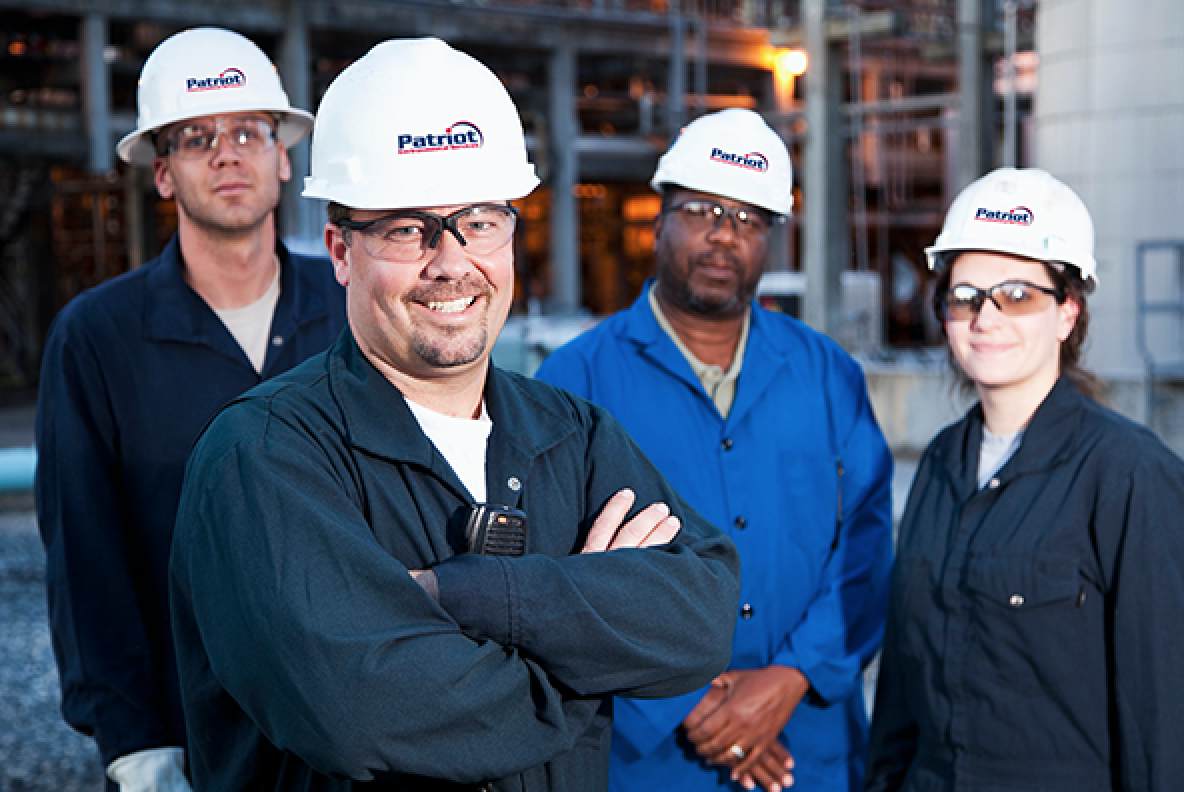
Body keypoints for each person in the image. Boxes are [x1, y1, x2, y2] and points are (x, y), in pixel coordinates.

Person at [168, 37, 742, 792]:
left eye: (478, 222)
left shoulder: (572, 435)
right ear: (341, 250)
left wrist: (460, 596)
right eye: (407, 228)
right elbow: (361, 710)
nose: (451, 261)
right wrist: (581, 655)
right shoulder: (262, 456)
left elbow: (701, 618)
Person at [537, 108, 895, 792]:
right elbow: (551, 576)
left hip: (808, 748)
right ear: (657, 222)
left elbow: (867, 545)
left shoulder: (826, 374)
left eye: (749, 219)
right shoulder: (574, 381)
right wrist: (683, 703)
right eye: (702, 209)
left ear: (771, 241)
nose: (724, 234)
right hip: (646, 759)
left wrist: (791, 679)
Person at [34, 27, 346, 792]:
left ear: (282, 155)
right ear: (164, 172)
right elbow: (84, 555)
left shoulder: (349, 316)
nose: (227, 152)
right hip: (188, 739)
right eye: (197, 137)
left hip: (349, 725)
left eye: (248, 131)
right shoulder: (98, 336)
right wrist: (133, 744)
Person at [864, 168, 1184, 792]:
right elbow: (902, 690)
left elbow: (1163, 719)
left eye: (1016, 294)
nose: (986, 317)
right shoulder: (939, 464)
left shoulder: (1128, 474)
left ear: (1067, 312)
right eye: (965, 296)